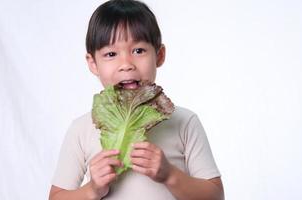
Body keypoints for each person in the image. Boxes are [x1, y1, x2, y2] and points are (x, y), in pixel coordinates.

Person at [49, 0, 224, 199]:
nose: (126, 64)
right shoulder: (81, 129)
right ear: (93, 63)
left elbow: (216, 196)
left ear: (159, 55)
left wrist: (169, 175)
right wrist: (92, 189)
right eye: (111, 54)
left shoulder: (185, 122)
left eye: (138, 51)